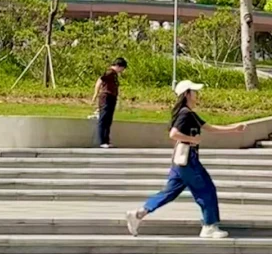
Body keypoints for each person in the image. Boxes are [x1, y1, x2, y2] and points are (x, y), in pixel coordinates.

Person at [127, 80, 239, 239]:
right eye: (194, 91)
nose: (197, 94)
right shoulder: (185, 114)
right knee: (206, 189)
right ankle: (209, 226)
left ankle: (138, 214)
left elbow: (210, 128)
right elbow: (173, 134)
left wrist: (234, 129)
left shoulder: (189, 114)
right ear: (186, 94)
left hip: (180, 160)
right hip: (188, 159)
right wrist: (193, 140)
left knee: (169, 192)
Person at [92, 57, 127, 148]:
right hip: (106, 97)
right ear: (119, 66)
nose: (122, 70)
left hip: (111, 97)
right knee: (104, 119)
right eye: (123, 68)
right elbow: (100, 80)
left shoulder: (114, 74)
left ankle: (106, 140)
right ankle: (102, 140)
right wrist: (95, 93)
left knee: (108, 120)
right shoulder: (110, 72)